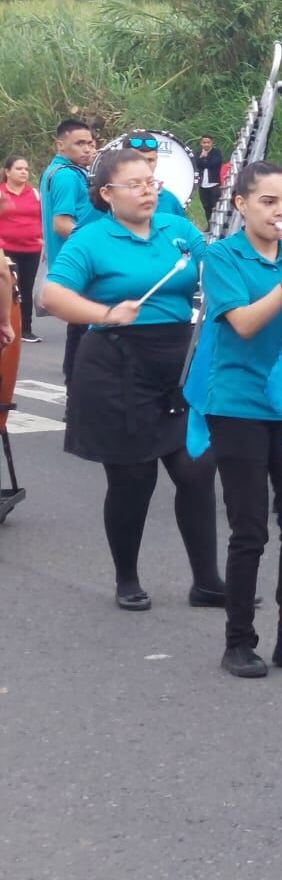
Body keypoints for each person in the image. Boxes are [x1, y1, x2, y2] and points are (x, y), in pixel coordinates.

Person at [39, 147, 224, 612]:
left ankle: (207, 581)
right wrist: (105, 313)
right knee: (133, 479)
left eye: (152, 181)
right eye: (137, 184)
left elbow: (216, 267)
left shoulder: (177, 229)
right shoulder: (90, 239)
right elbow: (52, 294)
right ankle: (127, 577)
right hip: (116, 365)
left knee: (197, 472)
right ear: (107, 193)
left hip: (176, 363)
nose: (149, 190)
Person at [193, 160, 282, 679]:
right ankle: (239, 642)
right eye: (268, 202)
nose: (281, 212)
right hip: (237, 406)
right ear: (241, 205)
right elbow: (246, 324)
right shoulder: (221, 256)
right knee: (249, 529)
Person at [40, 118, 99, 380]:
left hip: (70, 264)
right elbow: (62, 224)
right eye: (80, 144)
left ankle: (73, 389)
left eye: (90, 143)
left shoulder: (58, 171)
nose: (87, 149)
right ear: (60, 145)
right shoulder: (66, 176)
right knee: (84, 333)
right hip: (79, 265)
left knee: (78, 330)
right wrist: (99, 244)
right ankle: (76, 392)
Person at [0, 155, 44, 342]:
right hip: (6, 249)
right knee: (7, 288)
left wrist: (43, 241)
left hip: (31, 248)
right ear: (7, 171)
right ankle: (5, 326)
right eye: (19, 168)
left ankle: (25, 329)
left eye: (26, 169)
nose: (24, 172)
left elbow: (42, 218)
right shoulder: (1, 193)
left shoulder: (34, 193)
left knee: (26, 289)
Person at [120, 131, 189, 218]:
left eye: (150, 160)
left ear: (156, 160)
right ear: (122, 161)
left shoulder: (169, 200)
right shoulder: (109, 199)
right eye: (137, 159)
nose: (144, 165)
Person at [192, 135, 224, 222]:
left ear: (212, 143)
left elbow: (213, 164)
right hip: (202, 184)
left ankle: (216, 223)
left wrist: (204, 159)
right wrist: (202, 157)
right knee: (206, 206)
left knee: (215, 206)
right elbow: (195, 164)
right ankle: (209, 224)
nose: (206, 144)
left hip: (214, 184)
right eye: (204, 142)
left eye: (208, 142)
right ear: (201, 143)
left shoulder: (216, 152)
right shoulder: (198, 153)